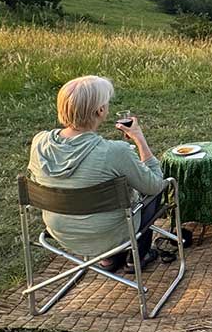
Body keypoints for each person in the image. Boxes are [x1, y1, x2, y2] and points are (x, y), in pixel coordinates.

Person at [29, 75, 165, 273]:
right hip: (108, 234)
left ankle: (108, 260)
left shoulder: (39, 143)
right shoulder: (115, 151)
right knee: (158, 186)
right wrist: (139, 139)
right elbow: (154, 185)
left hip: (61, 232)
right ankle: (138, 257)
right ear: (101, 110)